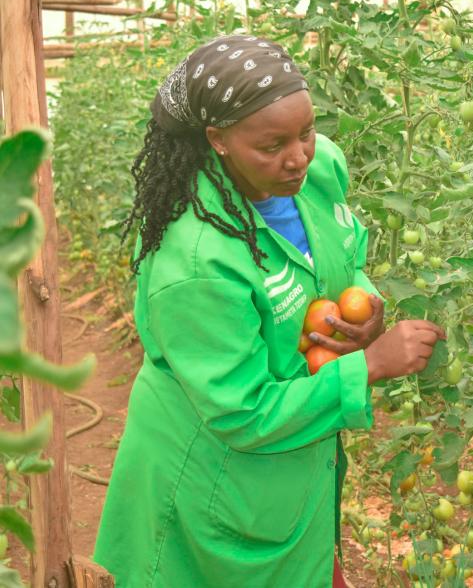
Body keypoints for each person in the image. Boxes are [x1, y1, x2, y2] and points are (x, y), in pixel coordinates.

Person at [93, 34, 446, 588]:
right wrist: (370, 364)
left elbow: (341, 250)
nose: (299, 155)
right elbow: (244, 413)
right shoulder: (194, 262)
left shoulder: (315, 169)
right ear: (219, 140)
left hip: (291, 467)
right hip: (214, 478)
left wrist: (364, 299)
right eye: (273, 144)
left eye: (305, 131)